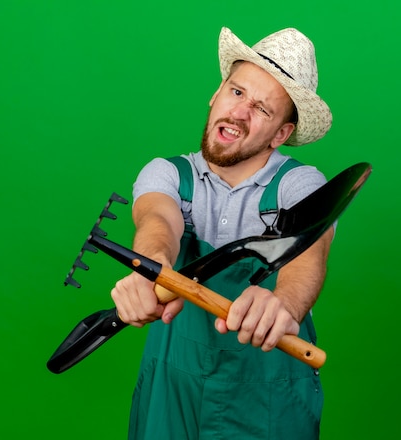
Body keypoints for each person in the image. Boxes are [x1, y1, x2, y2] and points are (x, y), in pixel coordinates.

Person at [111, 26, 334, 439]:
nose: (239, 113)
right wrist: (152, 266)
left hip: (268, 393)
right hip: (173, 387)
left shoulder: (301, 185)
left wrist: (283, 304)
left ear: (282, 134)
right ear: (216, 94)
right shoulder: (168, 174)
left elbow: (309, 250)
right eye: (236, 92)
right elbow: (157, 221)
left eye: (263, 109)